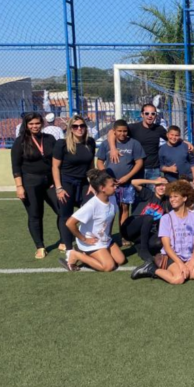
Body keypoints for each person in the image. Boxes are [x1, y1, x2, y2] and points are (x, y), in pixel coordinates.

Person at [137, 180, 194, 284]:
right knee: (178, 279)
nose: (172, 199)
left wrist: (192, 260)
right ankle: (151, 270)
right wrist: (180, 264)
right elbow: (167, 246)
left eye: (175, 196)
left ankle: (179, 270)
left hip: (189, 256)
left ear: (185, 198)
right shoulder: (165, 218)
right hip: (171, 256)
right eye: (170, 197)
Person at [11, 112, 60, 259]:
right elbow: (16, 166)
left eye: (37, 123)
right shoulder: (20, 141)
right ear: (26, 125)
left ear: (42, 123)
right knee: (35, 215)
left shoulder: (50, 139)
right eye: (31, 124)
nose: (34, 126)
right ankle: (40, 246)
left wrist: (56, 181)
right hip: (30, 183)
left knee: (62, 210)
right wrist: (19, 186)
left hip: (50, 183)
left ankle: (64, 240)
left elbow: (57, 161)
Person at [106, 103, 191, 185]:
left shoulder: (159, 129)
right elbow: (111, 132)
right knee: (138, 194)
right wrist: (113, 149)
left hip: (153, 169)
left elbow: (171, 137)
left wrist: (185, 142)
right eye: (147, 113)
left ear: (156, 116)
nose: (150, 116)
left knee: (154, 194)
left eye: (153, 114)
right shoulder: (133, 128)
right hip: (136, 169)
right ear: (142, 114)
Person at [59, 169, 125, 273]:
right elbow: (69, 223)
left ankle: (90, 254)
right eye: (112, 185)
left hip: (104, 238)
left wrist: (108, 234)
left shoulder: (112, 199)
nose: (115, 187)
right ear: (102, 188)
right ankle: (75, 254)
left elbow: (111, 218)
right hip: (92, 241)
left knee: (121, 260)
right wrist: (84, 239)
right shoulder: (91, 205)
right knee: (108, 266)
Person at [52, 115, 97, 253]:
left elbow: (91, 165)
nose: (79, 128)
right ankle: (69, 249)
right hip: (66, 182)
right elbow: (55, 167)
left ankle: (88, 243)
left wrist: (92, 182)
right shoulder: (62, 144)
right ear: (70, 128)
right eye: (75, 126)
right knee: (66, 215)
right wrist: (59, 188)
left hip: (83, 182)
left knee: (91, 211)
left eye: (82, 126)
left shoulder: (90, 142)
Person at [96, 119, 145, 227]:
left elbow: (139, 162)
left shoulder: (134, 143)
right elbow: (99, 161)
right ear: (114, 131)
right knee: (109, 209)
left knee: (124, 208)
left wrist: (127, 177)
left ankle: (124, 233)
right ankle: (107, 234)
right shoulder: (106, 144)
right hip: (110, 184)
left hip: (126, 183)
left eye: (125, 131)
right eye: (119, 131)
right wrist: (106, 177)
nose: (122, 133)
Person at [124, 177, 171, 276]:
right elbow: (134, 182)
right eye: (158, 185)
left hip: (144, 234)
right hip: (130, 228)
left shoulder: (167, 202)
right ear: (154, 187)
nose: (161, 187)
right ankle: (144, 250)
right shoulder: (149, 194)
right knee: (148, 218)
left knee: (159, 242)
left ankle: (139, 245)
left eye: (164, 185)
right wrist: (154, 181)